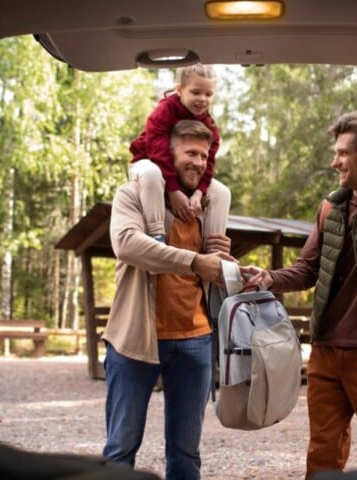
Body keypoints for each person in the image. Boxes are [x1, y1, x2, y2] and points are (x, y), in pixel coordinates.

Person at [241, 66, 357, 479]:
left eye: (344, 153)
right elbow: (308, 268)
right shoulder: (332, 207)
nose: (335, 162)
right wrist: (270, 278)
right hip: (326, 351)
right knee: (323, 455)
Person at [102, 119, 234, 480]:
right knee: (121, 448)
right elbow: (127, 244)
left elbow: (212, 270)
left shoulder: (207, 206)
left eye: (204, 156)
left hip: (195, 341)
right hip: (135, 342)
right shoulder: (132, 195)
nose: (198, 162)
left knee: (186, 453)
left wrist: (231, 264)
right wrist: (193, 259)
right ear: (168, 153)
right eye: (190, 153)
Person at [129, 63, 230, 243]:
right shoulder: (164, 112)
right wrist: (173, 190)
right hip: (148, 163)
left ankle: (213, 246)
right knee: (152, 173)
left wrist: (199, 193)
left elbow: (209, 164)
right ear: (180, 90)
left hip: (182, 174)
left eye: (208, 94)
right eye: (196, 92)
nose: (202, 99)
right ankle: (156, 234)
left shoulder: (210, 127)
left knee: (222, 192)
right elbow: (158, 152)